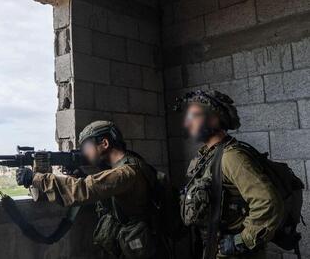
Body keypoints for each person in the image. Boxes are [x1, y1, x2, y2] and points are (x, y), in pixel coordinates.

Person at [16, 120, 168, 258]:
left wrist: (35, 178)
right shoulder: (129, 164)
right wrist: (81, 174)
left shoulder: (125, 173)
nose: (85, 153)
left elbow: (84, 189)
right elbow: (106, 190)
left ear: (105, 143)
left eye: (87, 147)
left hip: (142, 249)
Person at [177, 90, 284, 259]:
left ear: (213, 118)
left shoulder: (231, 157)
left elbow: (268, 204)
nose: (188, 123)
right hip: (212, 247)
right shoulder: (206, 156)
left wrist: (239, 241)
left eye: (194, 116)